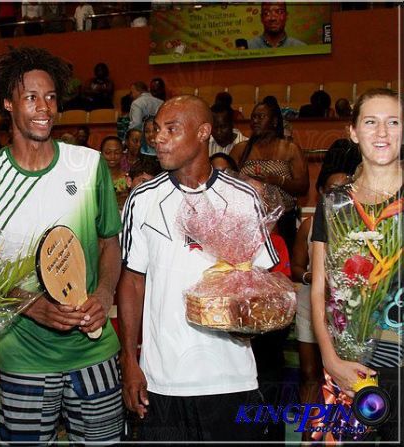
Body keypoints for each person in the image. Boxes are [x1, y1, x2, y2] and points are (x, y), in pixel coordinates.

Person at [0, 46, 123, 444]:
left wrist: (104, 291)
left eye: (51, 97)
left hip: (95, 352)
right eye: (30, 97)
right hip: (23, 358)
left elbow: (111, 244)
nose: (44, 107)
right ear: (8, 103)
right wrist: (30, 305)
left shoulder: (89, 165)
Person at [118, 95, 278, 442]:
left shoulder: (243, 197)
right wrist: (129, 361)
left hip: (232, 376)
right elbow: (131, 282)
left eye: (172, 130)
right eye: (157, 130)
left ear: (203, 132)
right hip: (163, 379)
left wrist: (251, 320)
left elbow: (263, 280)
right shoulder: (142, 199)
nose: (158, 138)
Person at [311, 88, 403, 442]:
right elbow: (319, 289)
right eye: (371, 122)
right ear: (353, 132)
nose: (382, 133)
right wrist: (330, 359)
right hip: (351, 368)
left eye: (393, 122)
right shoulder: (334, 204)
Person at [291, 169, 350, 440]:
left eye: (343, 188)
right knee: (310, 373)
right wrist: (313, 277)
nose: (336, 194)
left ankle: (336, 432)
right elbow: (295, 268)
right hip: (309, 302)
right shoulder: (310, 223)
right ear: (322, 192)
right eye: (331, 189)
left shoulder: (359, 226)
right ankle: (307, 435)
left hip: (344, 310)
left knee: (339, 376)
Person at [231, 100, 309, 253]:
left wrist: (277, 180)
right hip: (248, 222)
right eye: (253, 117)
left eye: (260, 117)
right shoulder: (240, 149)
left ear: (274, 121)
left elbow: (303, 186)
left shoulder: (290, 149)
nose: (255, 121)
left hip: (283, 220)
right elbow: (227, 183)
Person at [101, 136, 129, 210]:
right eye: (108, 152)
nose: (112, 156)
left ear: (122, 154)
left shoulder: (128, 179)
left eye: (117, 152)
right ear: (101, 154)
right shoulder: (94, 178)